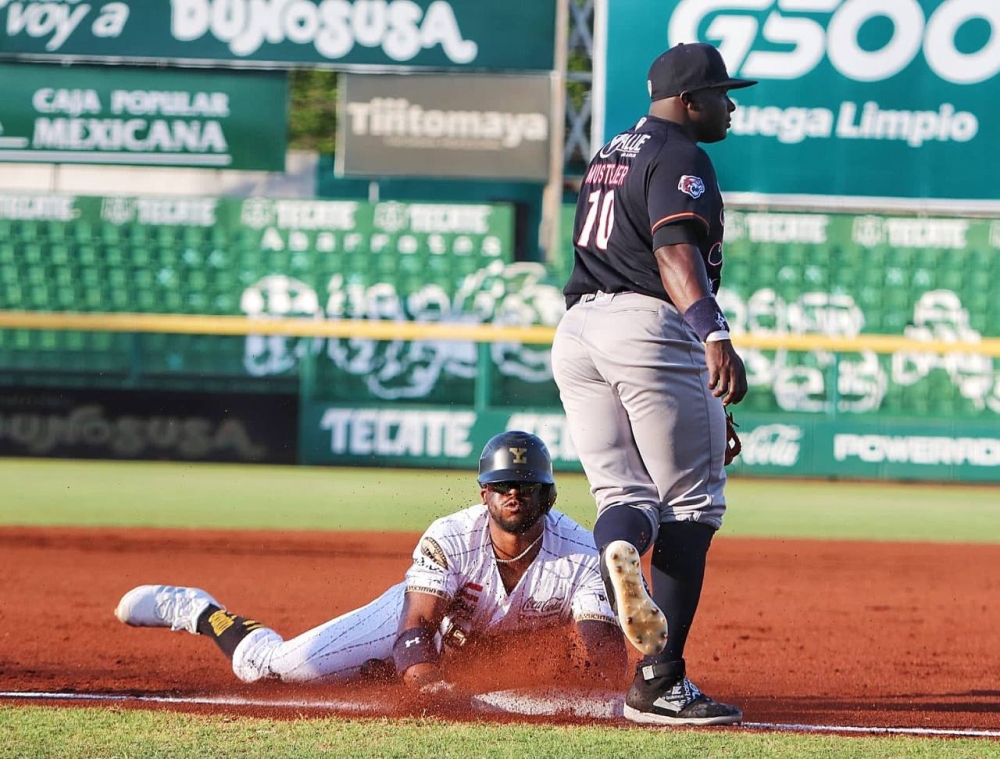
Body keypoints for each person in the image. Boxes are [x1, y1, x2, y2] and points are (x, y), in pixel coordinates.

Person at [550, 41, 752, 726]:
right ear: (688, 101)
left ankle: (621, 547)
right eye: (722, 95)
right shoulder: (680, 152)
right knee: (692, 505)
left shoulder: (611, 150)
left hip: (578, 330)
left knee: (625, 495)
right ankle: (660, 681)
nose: (730, 107)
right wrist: (713, 333)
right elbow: (673, 249)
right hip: (646, 325)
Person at [114, 431, 627, 695]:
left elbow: (603, 658)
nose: (514, 493)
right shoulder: (450, 535)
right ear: (484, 493)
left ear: (551, 495)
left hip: (478, 643)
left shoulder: (581, 553)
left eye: (528, 486)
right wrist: (428, 686)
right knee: (279, 670)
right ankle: (202, 611)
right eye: (502, 486)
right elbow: (416, 627)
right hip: (422, 625)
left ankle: (380, 675)